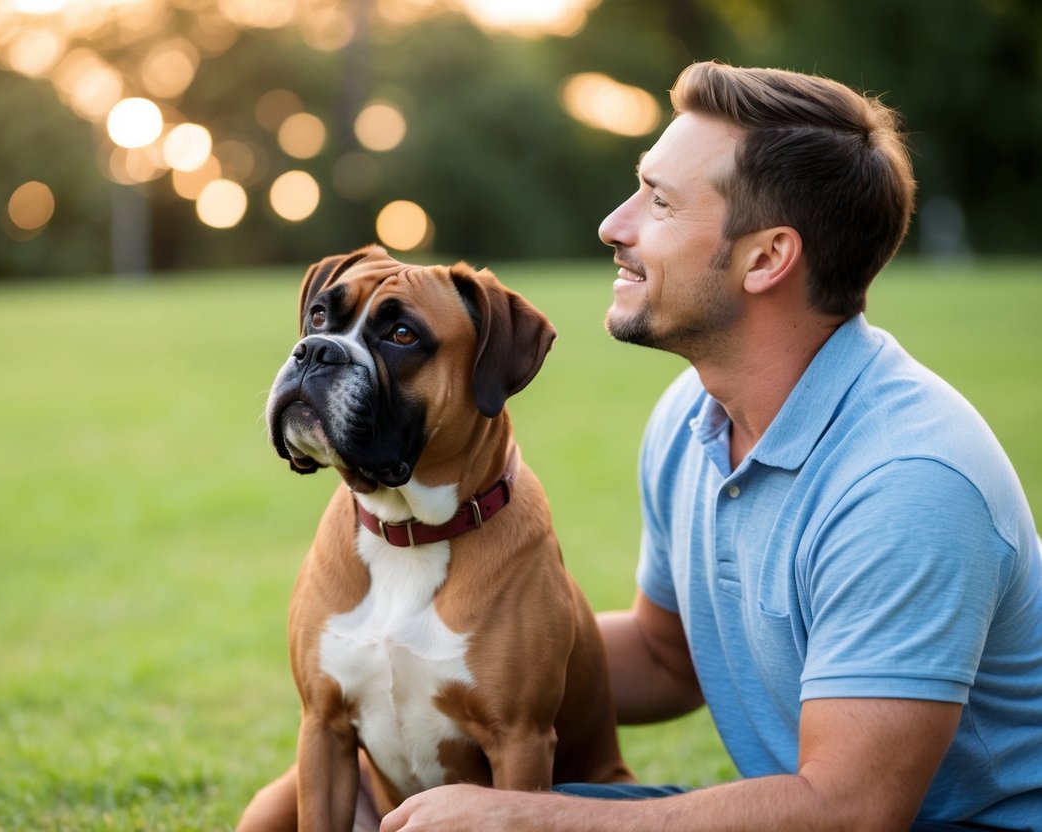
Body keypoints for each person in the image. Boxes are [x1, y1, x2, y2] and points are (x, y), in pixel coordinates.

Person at [241, 61, 1042, 831]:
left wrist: (533, 817)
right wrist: (407, 671)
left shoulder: (908, 483)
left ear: (767, 257)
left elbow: (850, 813)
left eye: (656, 202)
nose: (612, 225)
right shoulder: (692, 417)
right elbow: (664, 658)